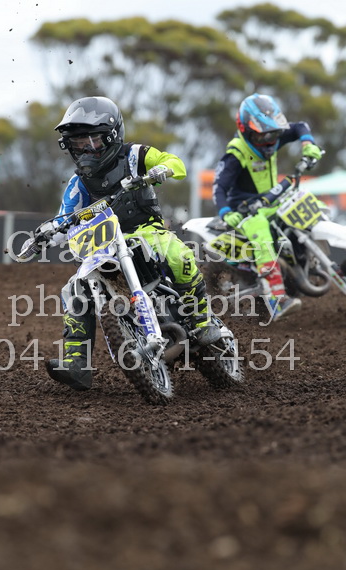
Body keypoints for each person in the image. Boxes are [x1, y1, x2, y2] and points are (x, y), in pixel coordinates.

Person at [20, 96, 222, 391]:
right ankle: (77, 363)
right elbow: (65, 219)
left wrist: (160, 170)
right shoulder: (78, 184)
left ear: (112, 135)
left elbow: (176, 163)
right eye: (77, 144)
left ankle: (202, 320)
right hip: (103, 245)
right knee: (74, 288)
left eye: (92, 141)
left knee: (176, 254)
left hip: (146, 231)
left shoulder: (135, 155)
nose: (85, 150)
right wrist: (47, 233)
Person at [212, 92, 322, 321]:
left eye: (274, 134)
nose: (269, 142)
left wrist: (308, 144)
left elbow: (300, 126)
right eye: (262, 136)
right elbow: (219, 187)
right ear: (246, 131)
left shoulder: (271, 137)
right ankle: (276, 299)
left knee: (310, 204)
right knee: (261, 231)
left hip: (272, 200)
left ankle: (323, 264)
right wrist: (226, 213)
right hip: (246, 211)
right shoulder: (236, 154)